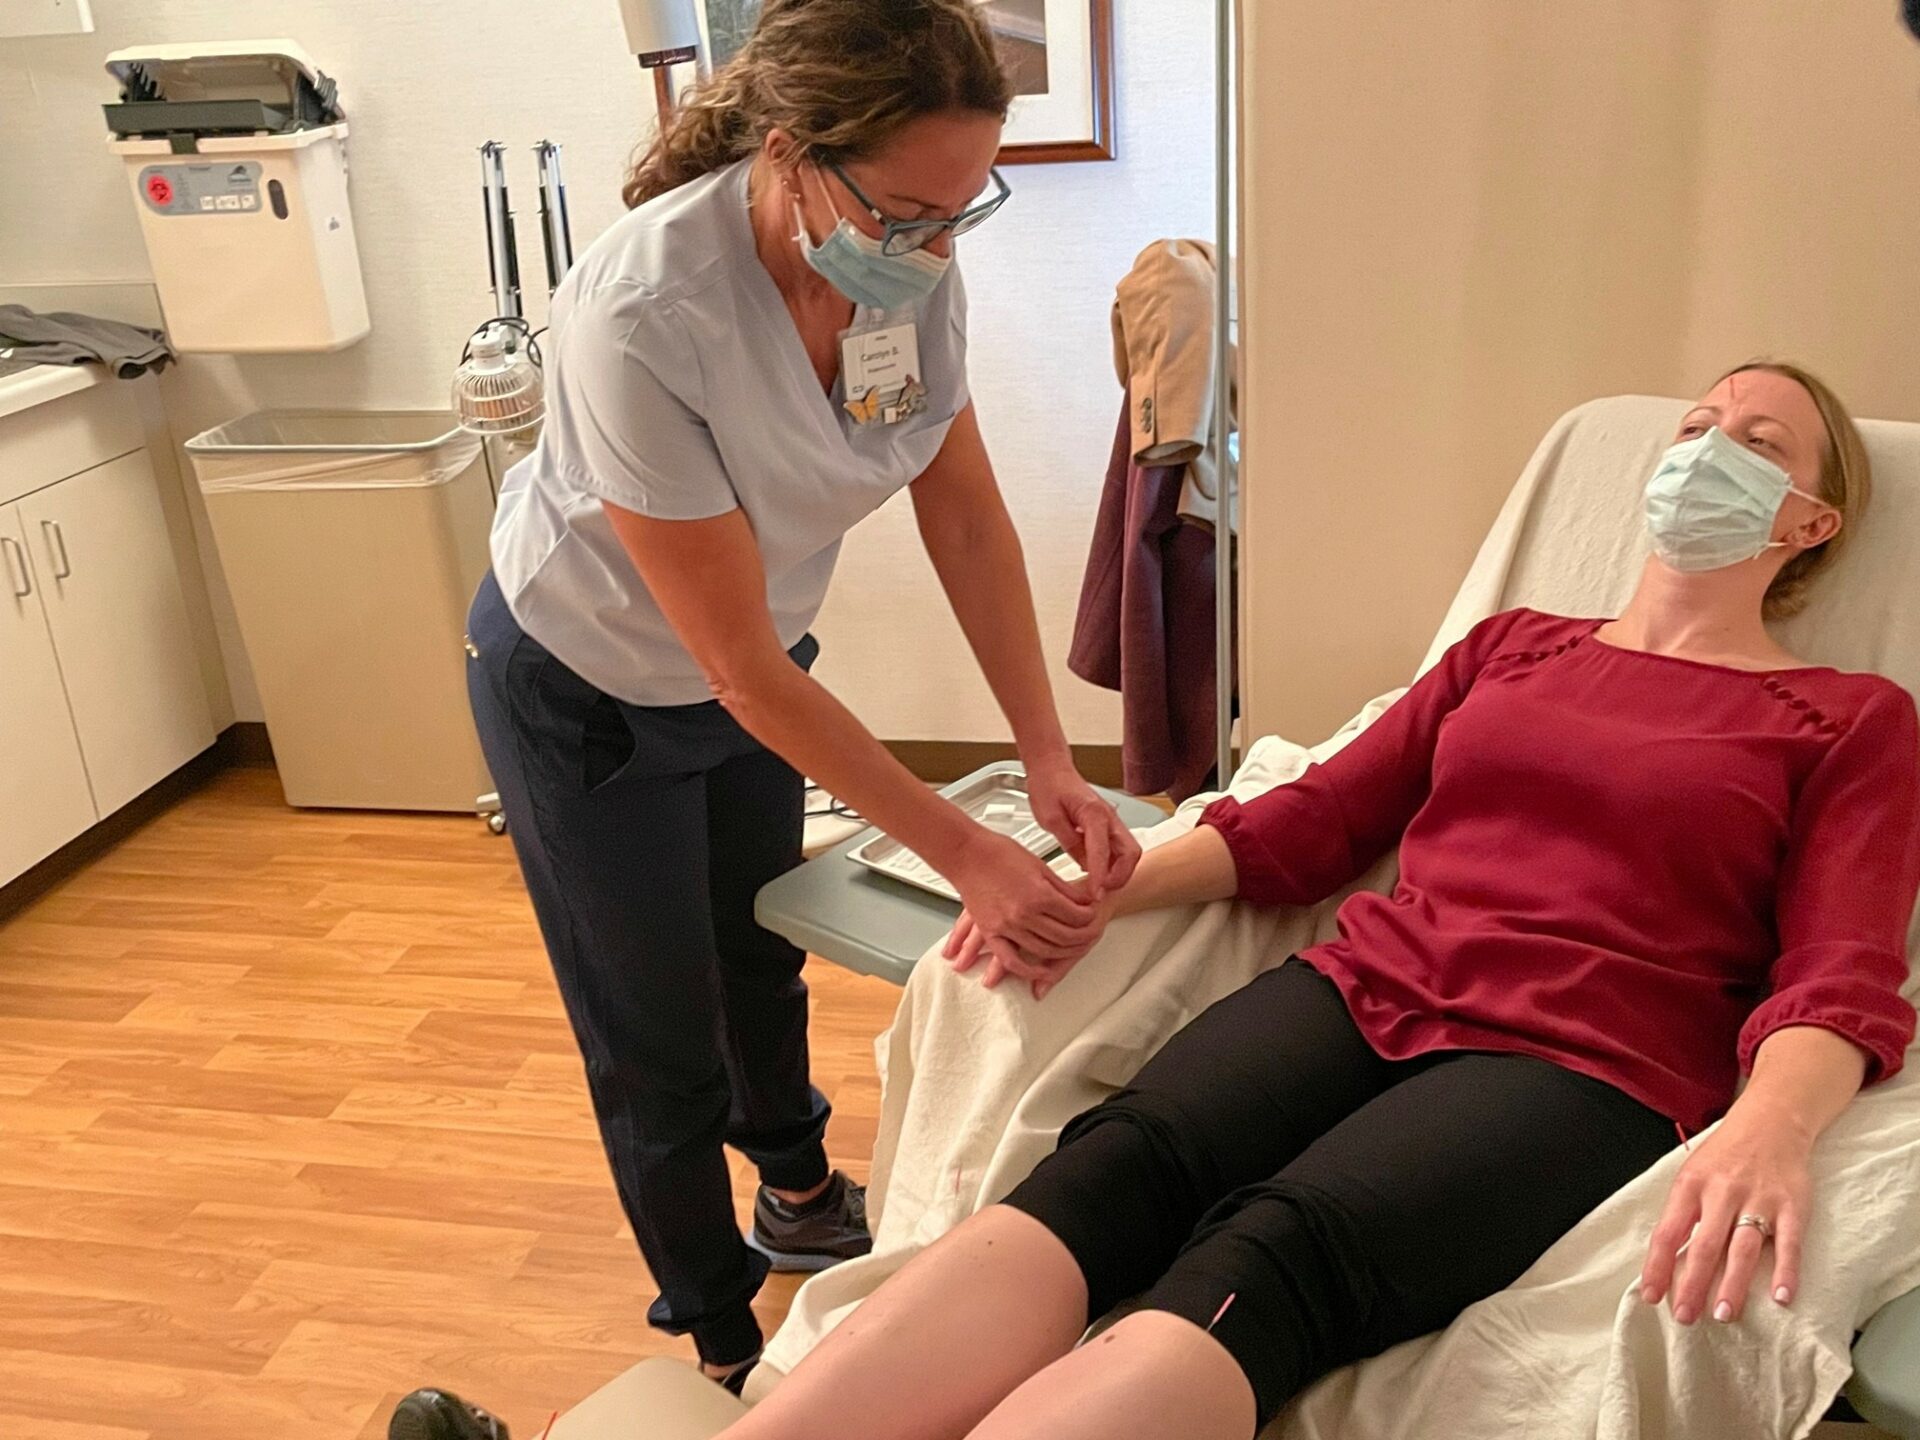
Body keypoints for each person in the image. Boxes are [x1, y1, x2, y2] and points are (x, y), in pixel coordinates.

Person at [712, 361, 1920, 1440]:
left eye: (1758, 444)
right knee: (1114, 1169)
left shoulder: (1845, 717)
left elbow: (1842, 967)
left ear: (1812, 522)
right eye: (1699, 423)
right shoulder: (1514, 650)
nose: (1707, 449)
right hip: (1369, 982)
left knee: (1274, 1258)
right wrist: (1094, 894)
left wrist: (1776, 1123)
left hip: (1584, 1056)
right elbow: (1321, 820)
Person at [458, 0, 1138, 1401]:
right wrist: (973, 857)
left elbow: (967, 524)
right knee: (652, 1034)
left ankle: (795, 1188)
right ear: (788, 157)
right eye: (904, 212)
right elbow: (734, 669)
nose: (935, 249)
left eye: (963, 211)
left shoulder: (903, 272)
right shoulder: (649, 310)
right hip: (586, 687)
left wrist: (1044, 763)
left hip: (749, 667)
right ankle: (715, 1334)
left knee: (757, 950)